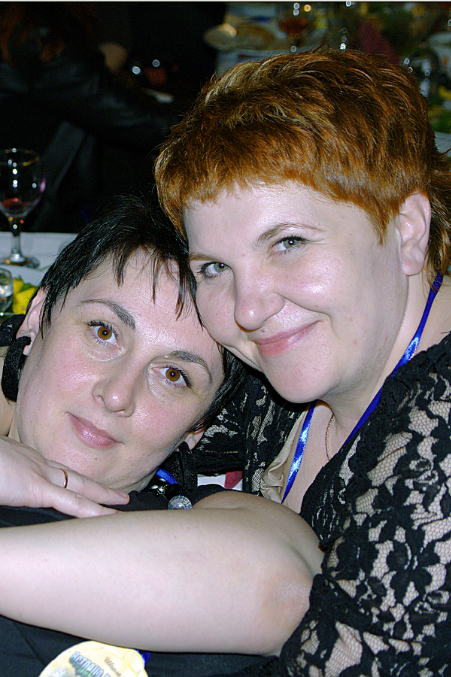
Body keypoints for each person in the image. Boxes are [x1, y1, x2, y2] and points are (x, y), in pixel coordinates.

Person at [0, 46, 446, 675]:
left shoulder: (433, 457)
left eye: (288, 242)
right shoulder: (276, 363)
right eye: (214, 267)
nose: (250, 307)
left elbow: (284, 589)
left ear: (407, 230)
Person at [0, 193, 254, 675]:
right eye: (104, 331)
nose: (118, 394)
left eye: (174, 375)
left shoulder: (216, 544)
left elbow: (294, 583)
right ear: (37, 317)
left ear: (198, 427)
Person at [0, 2, 179, 232]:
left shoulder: (21, 22)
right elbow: (145, 123)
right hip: (33, 204)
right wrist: (215, 114)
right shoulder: (37, 36)